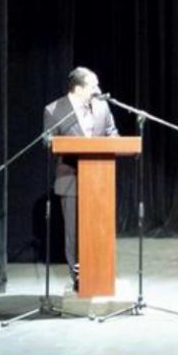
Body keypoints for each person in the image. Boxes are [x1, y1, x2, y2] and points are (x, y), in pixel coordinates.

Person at [43, 67, 119, 291]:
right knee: (74, 233)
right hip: (70, 179)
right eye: (93, 86)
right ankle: (78, 276)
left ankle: (101, 273)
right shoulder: (55, 109)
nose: (98, 90)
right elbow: (48, 142)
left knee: (100, 228)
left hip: (99, 179)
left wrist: (112, 142)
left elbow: (111, 132)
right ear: (78, 88)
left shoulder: (102, 106)